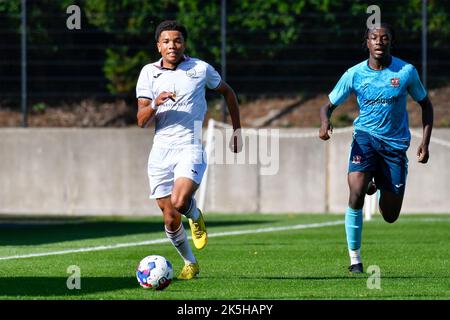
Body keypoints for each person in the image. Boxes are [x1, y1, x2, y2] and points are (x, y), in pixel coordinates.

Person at [319, 23, 434, 274]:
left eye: (384, 38)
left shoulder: (406, 72)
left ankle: (380, 184)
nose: (379, 42)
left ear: (390, 41)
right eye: (374, 38)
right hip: (366, 138)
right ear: (367, 43)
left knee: (390, 215)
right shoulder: (354, 74)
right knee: (356, 190)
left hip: (394, 146)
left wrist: (424, 142)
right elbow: (326, 106)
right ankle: (355, 260)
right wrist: (325, 122)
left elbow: (426, 105)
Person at [136, 20, 242, 280]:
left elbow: (228, 93)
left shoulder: (200, 69)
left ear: (184, 43)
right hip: (160, 152)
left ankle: (194, 214)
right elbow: (141, 120)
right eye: (167, 41)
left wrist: (236, 130)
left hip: (189, 147)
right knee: (170, 218)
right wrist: (156, 103)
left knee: (180, 201)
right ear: (158, 46)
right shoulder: (149, 72)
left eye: (177, 40)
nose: (172, 45)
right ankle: (190, 263)